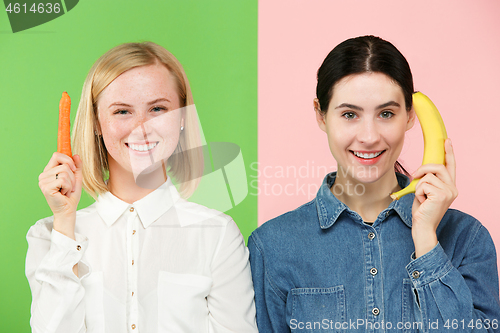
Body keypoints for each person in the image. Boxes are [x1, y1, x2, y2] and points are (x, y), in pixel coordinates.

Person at [248, 35, 500, 332]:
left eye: (386, 114)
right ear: (321, 115)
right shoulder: (272, 246)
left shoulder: (466, 240)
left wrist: (427, 243)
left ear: (409, 116)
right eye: (350, 114)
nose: (369, 136)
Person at [26, 41, 258, 333]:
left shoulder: (218, 236)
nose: (142, 127)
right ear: (97, 122)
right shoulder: (50, 237)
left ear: (183, 116)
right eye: (122, 112)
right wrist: (64, 223)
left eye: (158, 108)